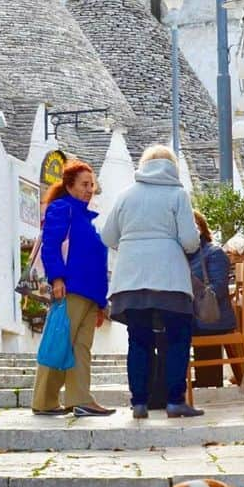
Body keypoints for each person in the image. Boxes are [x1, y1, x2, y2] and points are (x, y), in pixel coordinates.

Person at [101, 145, 204, 418]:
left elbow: (108, 236)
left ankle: (139, 403)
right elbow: (191, 241)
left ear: (143, 165)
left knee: (138, 340)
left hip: (131, 278)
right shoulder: (177, 194)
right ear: (172, 166)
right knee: (177, 338)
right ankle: (174, 401)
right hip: (169, 277)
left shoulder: (125, 195)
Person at [31, 159, 114, 417]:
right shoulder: (61, 209)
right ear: (69, 186)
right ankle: (44, 401)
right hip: (70, 288)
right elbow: (51, 245)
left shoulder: (89, 219)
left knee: (81, 347)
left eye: (92, 185)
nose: (90, 189)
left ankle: (80, 398)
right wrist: (57, 278)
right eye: (84, 184)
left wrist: (101, 302)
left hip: (91, 293)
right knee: (59, 341)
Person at [189, 210, 239, 388]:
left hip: (211, 317)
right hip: (194, 317)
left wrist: (191, 298)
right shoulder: (183, 256)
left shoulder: (213, 253)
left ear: (200, 229)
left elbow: (218, 288)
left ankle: (206, 382)